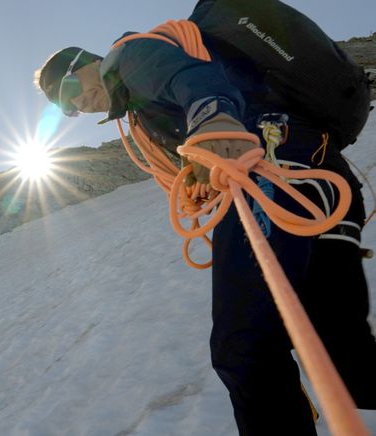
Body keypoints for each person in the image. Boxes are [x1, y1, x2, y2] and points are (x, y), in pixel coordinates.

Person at [33, 5, 376, 436]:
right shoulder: (137, 104)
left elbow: (188, 77)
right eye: (66, 109)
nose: (77, 105)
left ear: (85, 63)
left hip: (272, 172)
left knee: (243, 346)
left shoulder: (130, 57)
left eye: (68, 91)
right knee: (347, 361)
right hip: (321, 176)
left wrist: (212, 117)